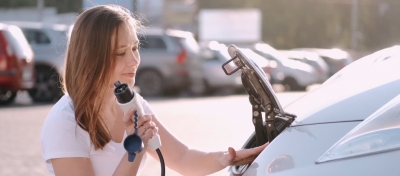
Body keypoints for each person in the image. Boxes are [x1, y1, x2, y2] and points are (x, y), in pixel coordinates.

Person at [40, 4, 268, 176]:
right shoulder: (65, 122)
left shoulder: (132, 102)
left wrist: (228, 158)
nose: (134, 60)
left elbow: (182, 158)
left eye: (135, 48)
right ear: (91, 58)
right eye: (121, 52)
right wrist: (136, 147)